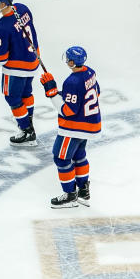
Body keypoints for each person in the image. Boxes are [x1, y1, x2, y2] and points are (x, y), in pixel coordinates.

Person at [39, 46, 102, 208]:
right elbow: (96, 92)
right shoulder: (90, 72)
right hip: (90, 124)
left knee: (61, 158)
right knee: (79, 155)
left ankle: (70, 195)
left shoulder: (72, 81)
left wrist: (52, 92)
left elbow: (67, 111)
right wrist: (62, 94)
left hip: (74, 128)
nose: (67, 61)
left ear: (72, 62)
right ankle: (83, 191)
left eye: (68, 59)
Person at [0, 0, 41, 146]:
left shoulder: (2, 27)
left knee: (13, 98)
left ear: (2, 4)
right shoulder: (23, 8)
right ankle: (29, 123)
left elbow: (1, 57)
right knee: (26, 93)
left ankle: (27, 131)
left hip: (17, 67)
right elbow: (15, 26)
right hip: (32, 59)